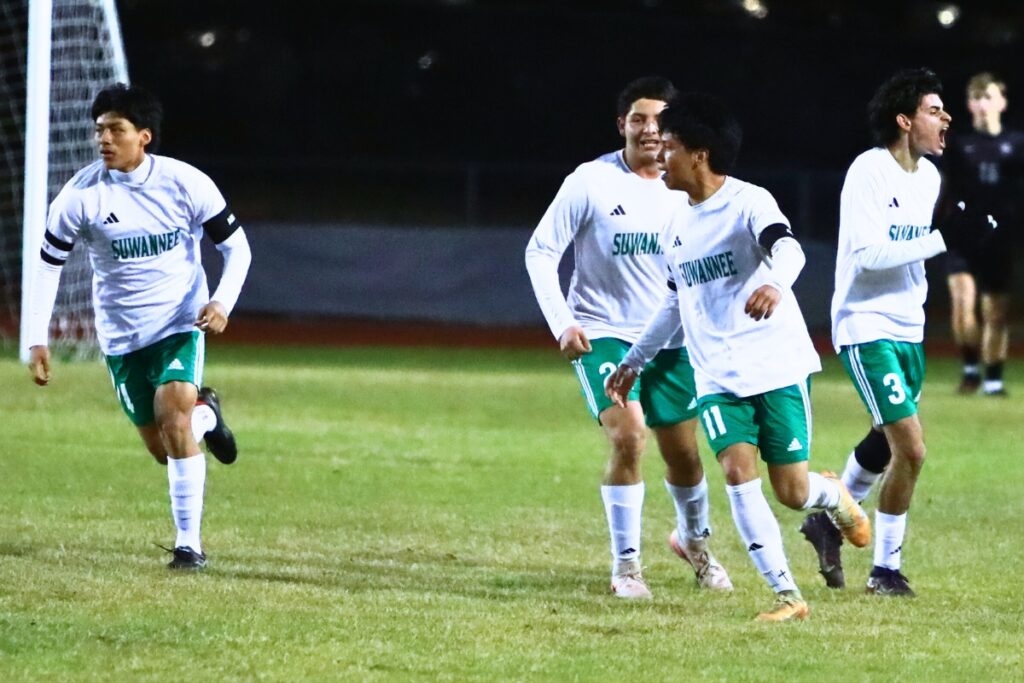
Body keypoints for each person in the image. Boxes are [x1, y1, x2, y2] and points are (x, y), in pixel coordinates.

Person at [605, 92, 870, 622]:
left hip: (776, 367)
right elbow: (674, 301)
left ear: (700, 155)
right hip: (716, 376)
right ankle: (787, 596)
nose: (660, 157)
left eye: (671, 147)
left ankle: (833, 496)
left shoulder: (750, 202)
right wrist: (634, 359)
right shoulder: (674, 225)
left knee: (793, 492)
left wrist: (772, 282)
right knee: (735, 471)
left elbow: (789, 248)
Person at [26, 83, 252, 570]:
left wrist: (221, 302)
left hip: (179, 321)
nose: (103, 139)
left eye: (116, 129)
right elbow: (47, 265)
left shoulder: (186, 183)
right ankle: (207, 414)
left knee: (174, 419)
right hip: (121, 336)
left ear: (144, 136)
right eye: (99, 130)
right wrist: (36, 336)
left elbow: (238, 248)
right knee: (167, 449)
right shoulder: (79, 197)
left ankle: (189, 545)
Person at [525, 76, 733, 600]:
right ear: (622, 125)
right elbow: (541, 251)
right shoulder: (590, 182)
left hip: (671, 340)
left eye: (658, 121)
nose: (648, 129)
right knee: (629, 436)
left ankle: (696, 545)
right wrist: (562, 323)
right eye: (637, 119)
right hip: (604, 335)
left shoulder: (688, 187)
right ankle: (626, 567)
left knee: (685, 457)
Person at [800, 68, 954, 596]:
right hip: (867, 325)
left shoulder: (929, 178)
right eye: (935, 110)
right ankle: (885, 570)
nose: (945, 118)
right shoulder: (868, 170)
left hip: (909, 326)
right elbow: (866, 257)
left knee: (884, 442)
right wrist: (938, 241)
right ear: (905, 120)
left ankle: (829, 518)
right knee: (911, 448)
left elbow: (911, 255)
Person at [940, 72, 1024, 396]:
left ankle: (993, 379)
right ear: (969, 104)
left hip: (1000, 238)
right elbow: (942, 188)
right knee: (963, 302)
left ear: (1001, 102)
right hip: (963, 237)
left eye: (988, 96)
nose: (982, 104)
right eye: (976, 98)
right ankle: (971, 368)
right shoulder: (958, 145)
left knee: (996, 312)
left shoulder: (1016, 145)